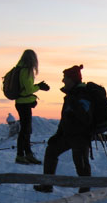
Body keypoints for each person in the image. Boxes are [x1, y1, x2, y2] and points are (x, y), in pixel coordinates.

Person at [33, 65, 93, 194]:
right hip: (68, 135)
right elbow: (65, 117)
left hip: (80, 136)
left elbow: (84, 116)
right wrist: (58, 134)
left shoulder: (83, 94)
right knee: (51, 151)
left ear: (72, 79)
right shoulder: (72, 94)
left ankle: (85, 194)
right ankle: (47, 184)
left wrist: (74, 104)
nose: (63, 80)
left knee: (81, 164)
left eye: (65, 78)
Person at [14, 49, 49, 165]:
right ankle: (21, 155)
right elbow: (28, 89)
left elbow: (25, 88)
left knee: (26, 130)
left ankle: (27, 154)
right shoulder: (26, 70)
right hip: (24, 103)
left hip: (21, 102)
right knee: (25, 131)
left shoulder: (19, 69)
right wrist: (38, 86)